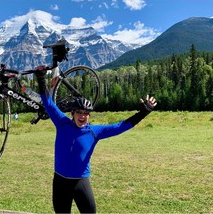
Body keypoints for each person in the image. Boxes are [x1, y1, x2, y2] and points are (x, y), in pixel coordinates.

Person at [35, 68, 157, 213]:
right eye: (79, 112)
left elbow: (120, 127)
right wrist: (40, 77)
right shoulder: (62, 123)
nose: (82, 116)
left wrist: (143, 113)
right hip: (60, 181)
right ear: (72, 113)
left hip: (80, 181)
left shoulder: (94, 132)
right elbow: (48, 102)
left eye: (86, 113)